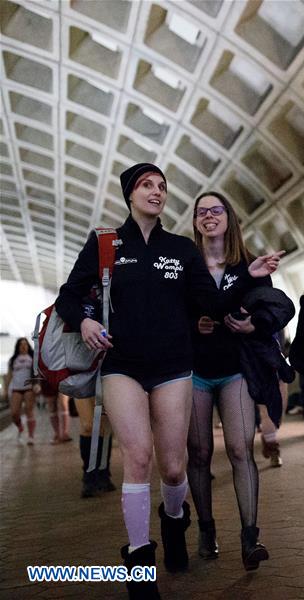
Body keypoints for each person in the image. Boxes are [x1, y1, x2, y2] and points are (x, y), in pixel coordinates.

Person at [55, 164, 281, 599]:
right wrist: (83, 320)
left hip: (175, 367)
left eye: (161, 186)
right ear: (130, 194)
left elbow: (213, 303)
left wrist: (248, 280)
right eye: (146, 186)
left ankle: (175, 521)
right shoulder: (106, 243)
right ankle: (140, 566)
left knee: (173, 466)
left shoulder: (181, 249)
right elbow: (69, 293)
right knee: (138, 457)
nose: (156, 192)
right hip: (121, 364)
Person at [188, 191, 283, 570]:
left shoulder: (249, 264)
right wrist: (193, 324)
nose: (209, 216)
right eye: (201, 212)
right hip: (195, 371)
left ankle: (249, 537)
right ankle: (206, 529)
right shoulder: (186, 265)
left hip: (235, 369)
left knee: (240, 448)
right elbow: (172, 313)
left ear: (229, 217)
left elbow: (271, 309)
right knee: (199, 454)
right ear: (196, 221)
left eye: (216, 210)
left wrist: (251, 324)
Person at [5, 337, 37, 444]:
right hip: (16, 389)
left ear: (28, 346)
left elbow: (37, 374)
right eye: (21, 344)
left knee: (29, 410)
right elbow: (9, 375)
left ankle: (31, 436)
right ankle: (20, 426)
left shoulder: (33, 358)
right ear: (18, 347)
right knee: (14, 413)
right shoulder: (13, 360)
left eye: (25, 344)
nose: (23, 346)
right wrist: (5, 389)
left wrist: (37, 385)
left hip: (29, 388)